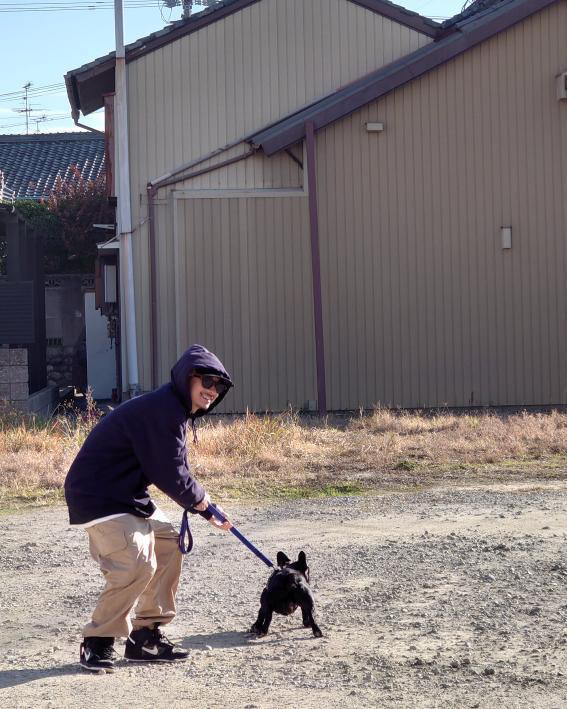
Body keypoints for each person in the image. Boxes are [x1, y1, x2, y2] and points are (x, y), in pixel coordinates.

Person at [64, 344, 234, 673]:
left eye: (220, 386)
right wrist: (201, 503)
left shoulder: (174, 411)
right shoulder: (165, 411)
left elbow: (177, 471)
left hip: (125, 495)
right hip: (99, 496)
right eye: (208, 381)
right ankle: (97, 641)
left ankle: (144, 636)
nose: (213, 391)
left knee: (169, 542)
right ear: (190, 377)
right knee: (137, 561)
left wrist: (206, 507)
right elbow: (168, 471)